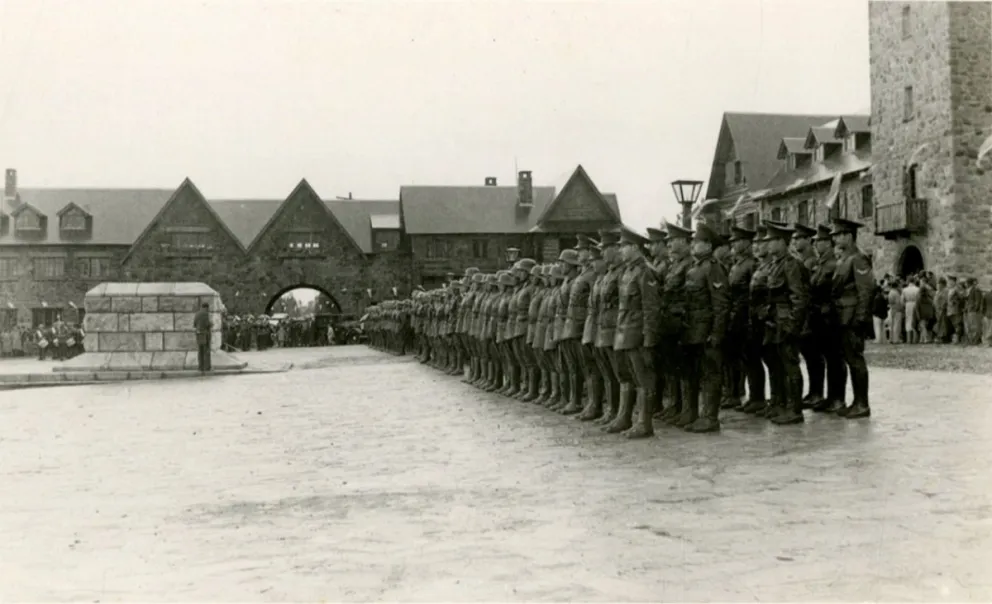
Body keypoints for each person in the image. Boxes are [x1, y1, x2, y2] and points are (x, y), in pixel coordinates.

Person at [194, 302, 213, 372]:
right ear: (206, 307)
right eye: (208, 308)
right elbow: (207, 324)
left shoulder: (197, 313)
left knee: (200, 351)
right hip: (205, 334)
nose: (208, 310)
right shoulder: (206, 313)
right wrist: (211, 324)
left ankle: (200, 367)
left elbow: (194, 324)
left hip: (198, 334)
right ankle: (207, 367)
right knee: (206, 351)